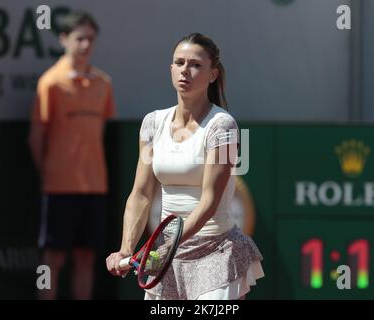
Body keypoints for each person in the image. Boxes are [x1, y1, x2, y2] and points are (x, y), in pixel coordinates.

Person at [106, 33, 263, 300]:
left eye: (195, 65)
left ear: (212, 74)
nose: (185, 71)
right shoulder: (153, 124)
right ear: (171, 69)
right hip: (165, 256)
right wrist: (125, 249)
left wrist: (166, 246)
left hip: (216, 252)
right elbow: (141, 194)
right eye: (179, 63)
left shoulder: (222, 126)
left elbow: (209, 199)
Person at [29, 10, 116, 300]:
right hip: (58, 186)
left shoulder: (103, 84)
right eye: (79, 38)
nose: (85, 45)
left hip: (94, 187)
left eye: (90, 39)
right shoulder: (50, 83)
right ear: (64, 39)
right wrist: (50, 172)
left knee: (86, 259)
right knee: (52, 260)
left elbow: (99, 132)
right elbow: (36, 137)